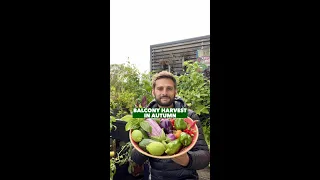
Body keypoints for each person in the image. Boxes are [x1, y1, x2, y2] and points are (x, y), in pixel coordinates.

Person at [131, 71, 210, 180]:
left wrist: (188, 160)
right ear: (153, 92)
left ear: (175, 92)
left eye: (169, 88)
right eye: (160, 88)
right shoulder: (143, 118)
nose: (164, 92)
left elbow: (205, 156)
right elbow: (135, 158)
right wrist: (145, 146)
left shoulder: (189, 116)